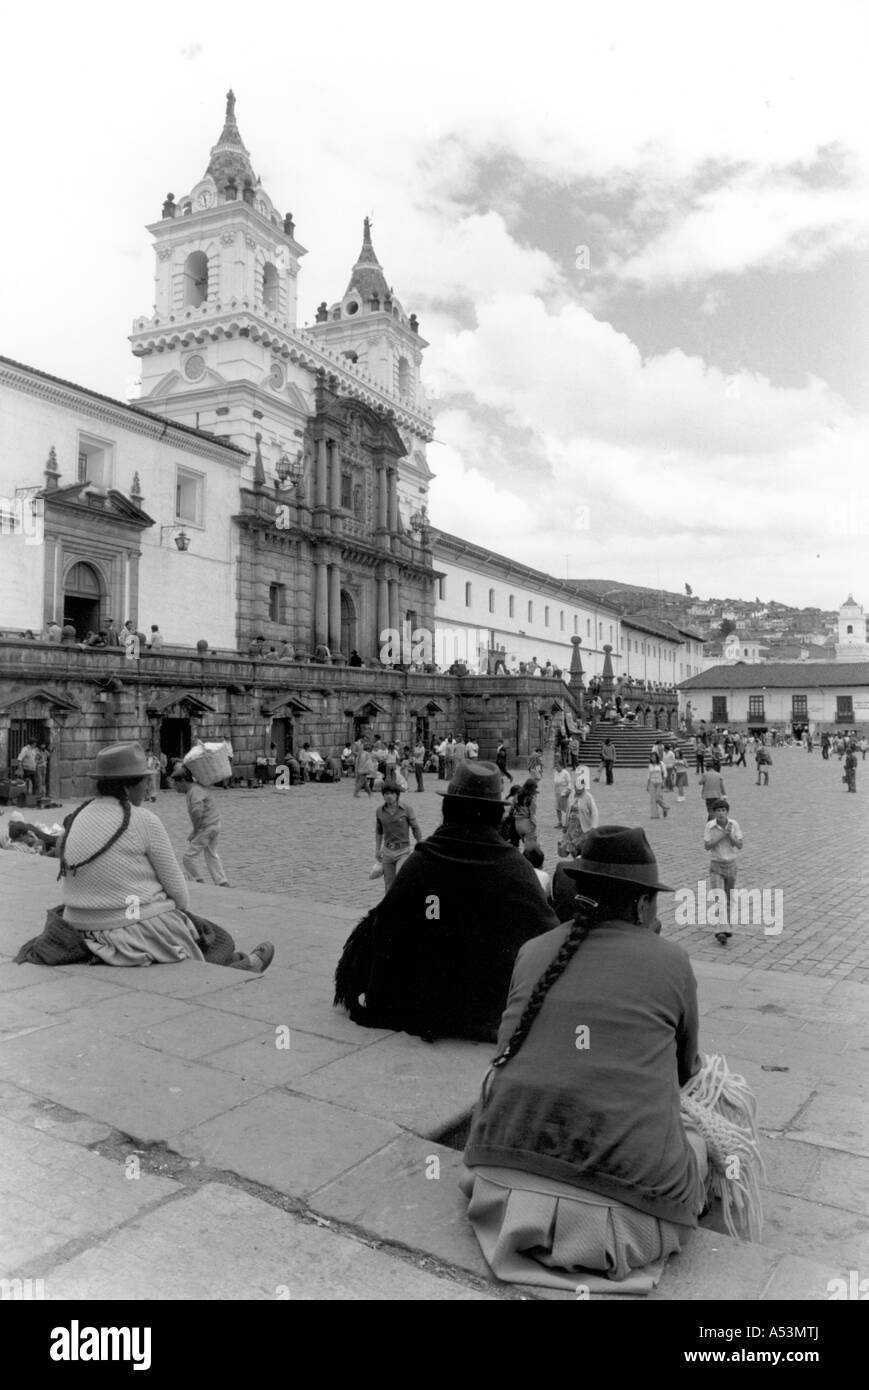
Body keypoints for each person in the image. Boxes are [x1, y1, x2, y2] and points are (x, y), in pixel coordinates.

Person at [460, 827, 710, 1294]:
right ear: (641, 906)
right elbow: (684, 1075)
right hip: (625, 1220)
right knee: (696, 1133)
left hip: (501, 1192)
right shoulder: (672, 961)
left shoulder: (533, 951)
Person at [334, 762, 559, 1041]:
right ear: (496, 815)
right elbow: (548, 937)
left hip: (424, 1003)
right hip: (491, 1008)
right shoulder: (516, 870)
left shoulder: (421, 863)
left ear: (448, 808)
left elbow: (385, 930)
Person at [28, 743, 272, 972]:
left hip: (77, 923)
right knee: (215, 936)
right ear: (127, 787)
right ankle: (240, 965)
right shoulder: (143, 820)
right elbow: (179, 893)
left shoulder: (79, 815)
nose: (147, 789)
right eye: (144, 782)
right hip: (124, 924)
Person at [173, 765, 231, 887]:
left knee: (187, 858)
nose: (175, 787)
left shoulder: (194, 791)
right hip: (215, 824)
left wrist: (195, 831)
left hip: (207, 828)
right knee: (211, 854)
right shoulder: (196, 789)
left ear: (183, 781)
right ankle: (222, 882)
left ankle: (200, 882)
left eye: (176, 784)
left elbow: (197, 812)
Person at [704, 798, 743, 945]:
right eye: (718, 811)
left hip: (731, 865)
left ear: (727, 812)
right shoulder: (710, 826)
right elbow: (707, 846)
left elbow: (739, 844)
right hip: (716, 865)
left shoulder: (734, 825)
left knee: (728, 897)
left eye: (723, 810)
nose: (721, 813)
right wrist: (721, 835)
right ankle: (721, 930)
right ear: (714, 813)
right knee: (719, 897)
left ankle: (726, 927)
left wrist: (729, 835)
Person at [375, 784, 423, 890]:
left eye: (392, 793)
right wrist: (377, 849)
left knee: (401, 878)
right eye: (386, 794)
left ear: (397, 795)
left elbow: (415, 828)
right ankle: (389, 906)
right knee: (389, 884)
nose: (389, 796)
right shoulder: (379, 811)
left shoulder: (406, 809)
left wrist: (420, 843)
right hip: (387, 852)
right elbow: (379, 831)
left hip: (403, 851)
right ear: (383, 796)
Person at [647, 752, 669, 819]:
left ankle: (666, 807)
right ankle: (654, 815)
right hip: (652, 783)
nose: (652, 758)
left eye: (654, 756)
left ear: (656, 757)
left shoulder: (661, 764)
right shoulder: (650, 765)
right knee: (653, 800)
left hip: (660, 782)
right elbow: (648, 775)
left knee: (658, 798)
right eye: (651, 757)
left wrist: (664, 783)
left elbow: (665, 774)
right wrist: (647, 785)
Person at [553, 761, 573, 829]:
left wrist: (568, 791)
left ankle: (568, 823)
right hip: (557, 792)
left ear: (561, 766)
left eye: (557, 766)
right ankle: (560, 822)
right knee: (557, 808)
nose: (556, 767)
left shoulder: (565, 773)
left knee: (566, 808)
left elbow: (569, 783)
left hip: (564, 792)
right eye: (555, 766)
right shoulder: (555, 773)